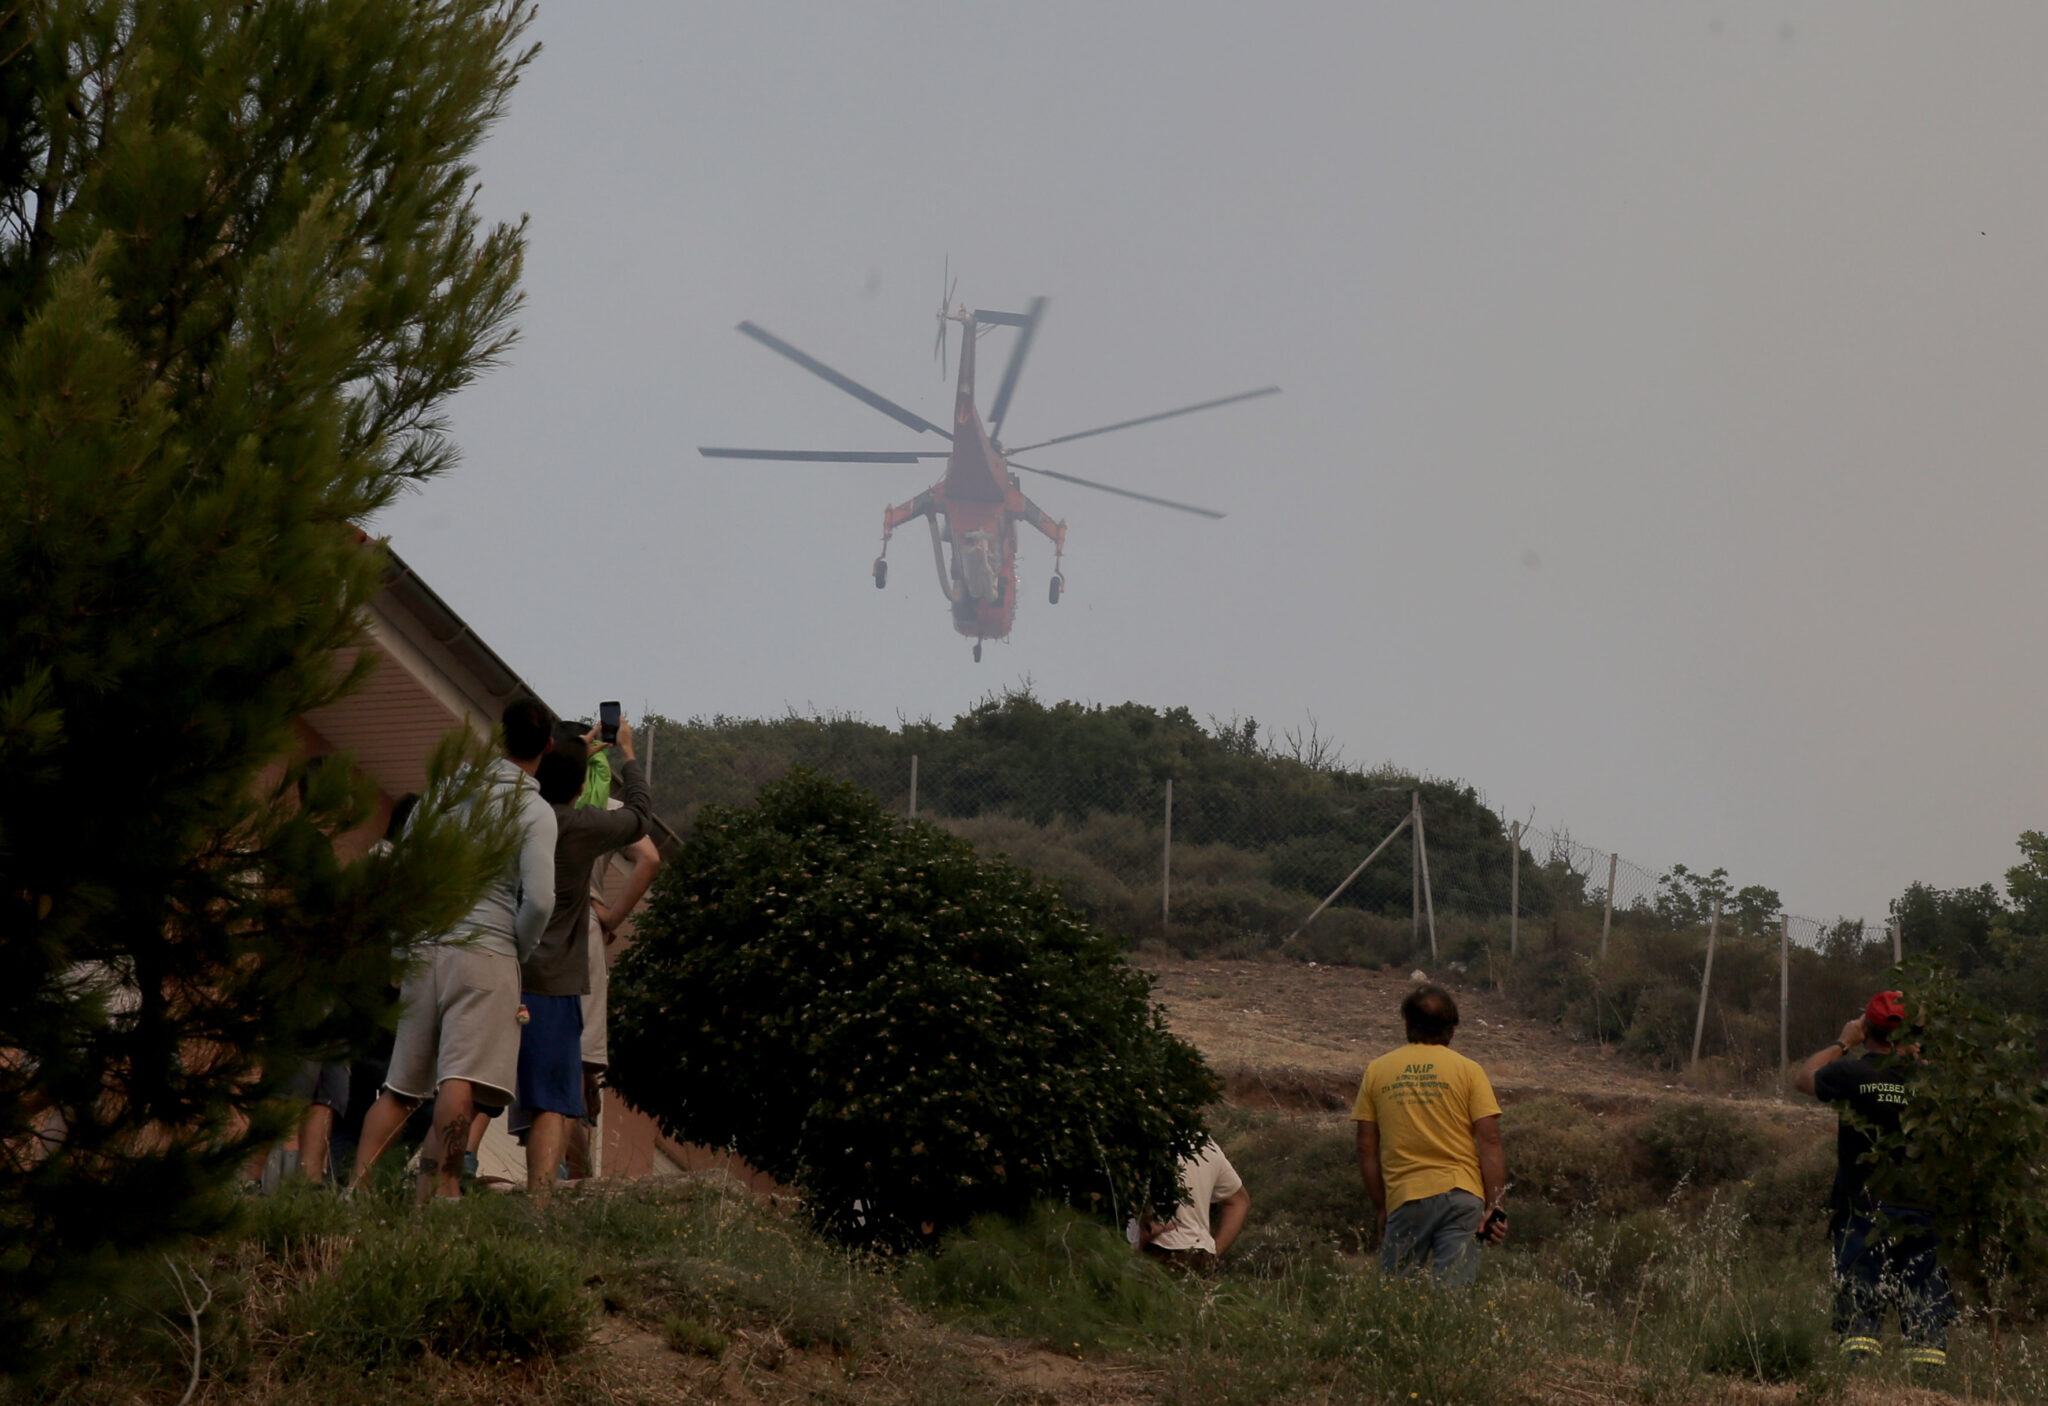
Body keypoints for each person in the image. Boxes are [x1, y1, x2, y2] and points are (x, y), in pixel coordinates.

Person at [351, 699, 558, 1201]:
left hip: (427, 946)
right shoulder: (533, 809)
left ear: (498, 738)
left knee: (400, 1087)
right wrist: (518, 947)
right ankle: (441, 1193)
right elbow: (540, 900)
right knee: (459, 1079)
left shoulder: (448, 789)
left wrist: (403, 946)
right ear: (547, 749)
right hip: (485, 951)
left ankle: (354, 1193)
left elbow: (405, 870)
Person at [515, 716, 655, 1197]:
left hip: (505, 957)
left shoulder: (517, 810)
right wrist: (629, 755)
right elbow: (646, 837)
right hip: (565, 962)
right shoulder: (587, 818)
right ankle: (560, 1184)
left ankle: (456, 1173)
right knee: (568, 1082)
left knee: (483, 1079)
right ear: (583, 776)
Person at [1794, 990, 1954, 1371]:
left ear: (1866, 1029)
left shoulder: (1851, 1072)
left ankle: (1859, 1377)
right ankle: (1927, 1380)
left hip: (1862, 1206)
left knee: (1860, 1295)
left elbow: (1805, 1079)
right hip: (1922, 1207)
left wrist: (1842, 1042)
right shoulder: (1930, 1082)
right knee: (1924, 1297)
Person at [1353, 984, 1507, 1287]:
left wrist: (1381, 1206)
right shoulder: (1469, 1070)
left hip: (1407, 1198)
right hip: (1464, 1197)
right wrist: (1495, 1206)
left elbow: (1366, 1146)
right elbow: (1489, 1141)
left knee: (1395, 1300)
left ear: (1407, 1023)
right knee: (1452, 1300)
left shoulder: (1377, 1071)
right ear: (1452, 1027)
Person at [1128, 1139, 1250, 1276]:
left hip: (1159, 1251)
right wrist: (1212, 1251)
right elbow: (1239, 1201)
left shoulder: (1147, 1135)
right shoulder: (1207, 1145)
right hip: (1199, 1257)